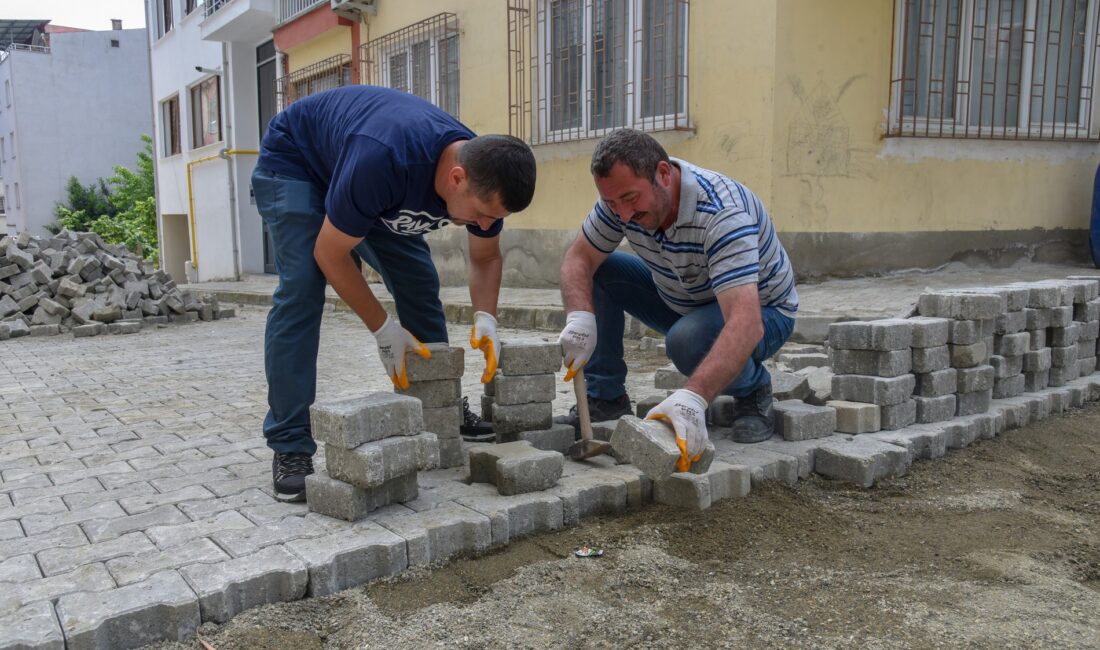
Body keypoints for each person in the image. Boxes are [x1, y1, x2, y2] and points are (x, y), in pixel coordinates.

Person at [253, 85, 537, 501]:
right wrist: (384, 330)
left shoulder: (485, 172)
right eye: (480, 213)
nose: (483, 223)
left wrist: (486, 318)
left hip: (368, 184)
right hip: (299, 161)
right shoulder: (386, 158)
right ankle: (291, 444)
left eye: (493, 217)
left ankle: (438, 402)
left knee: (419, 280)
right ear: (456, 179)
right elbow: (331, 254)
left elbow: (486, 258)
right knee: (302, 289)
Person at [556, 129, 797, 464]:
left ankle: (753, 389)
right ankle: (605, 397)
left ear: (664, 174)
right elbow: (577, 259)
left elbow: (746, 322)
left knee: (688, 340)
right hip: (684, 297)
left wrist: (692, 399)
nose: (623, 214)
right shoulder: (618, 202)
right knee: (597, 272)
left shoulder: (720, 212)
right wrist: (580, 317)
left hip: (765, 312)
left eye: (630, 199)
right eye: (612, 203)